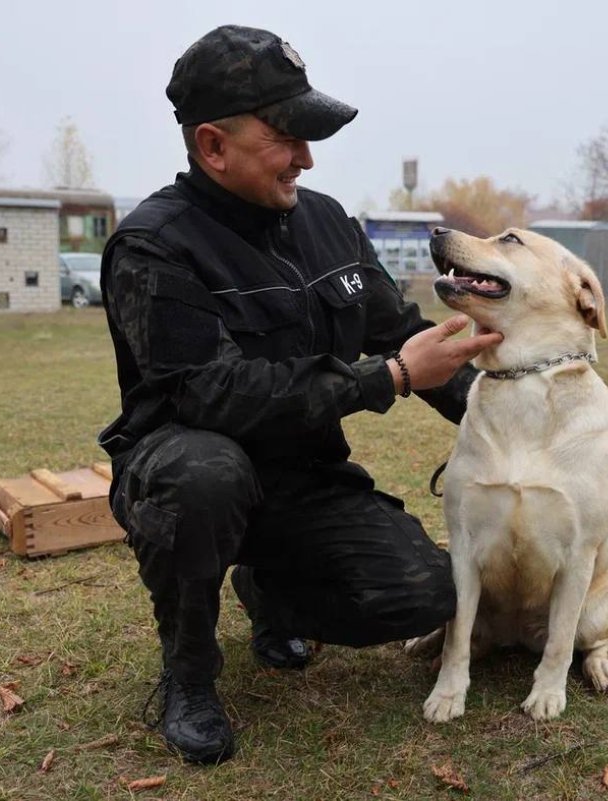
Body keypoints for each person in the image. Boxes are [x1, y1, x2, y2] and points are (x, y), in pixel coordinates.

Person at [98, 24, 501, 765]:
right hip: (188, 470)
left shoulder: (324, 222)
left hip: (301, 482)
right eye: (287, 136)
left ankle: (269, 589)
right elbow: (211, 393)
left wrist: (499, 404)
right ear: (213, 145)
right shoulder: (156, 245)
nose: (307, 158)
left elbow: (398, 330)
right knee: (206, 475)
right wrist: (388, 379)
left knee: (424, 592)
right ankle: (189, 675)